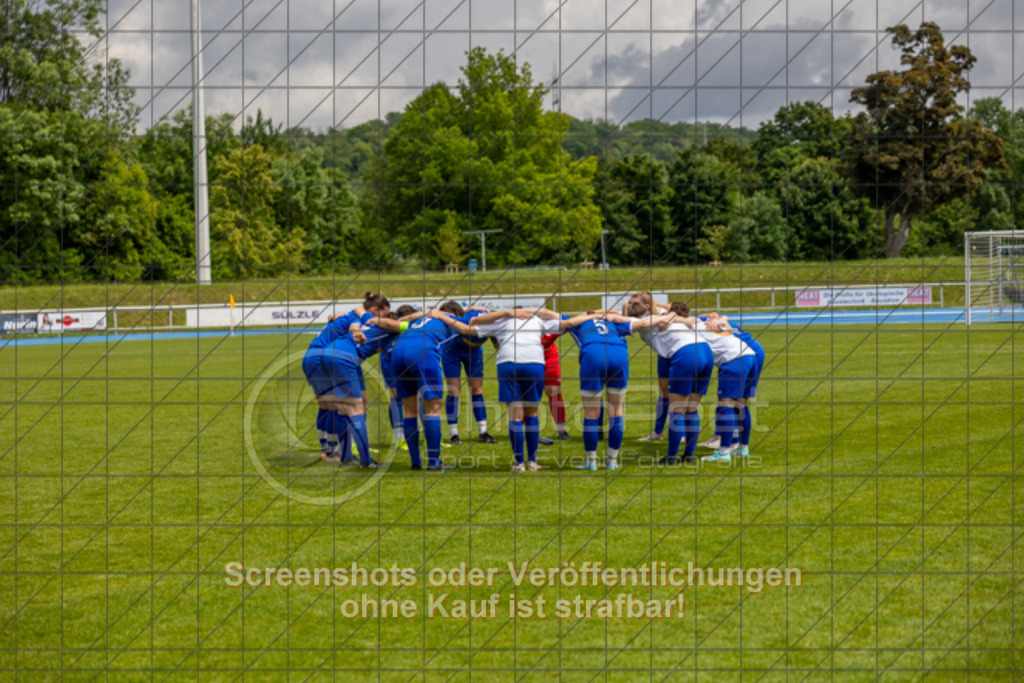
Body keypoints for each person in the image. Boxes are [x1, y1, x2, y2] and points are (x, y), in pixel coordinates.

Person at [431, 307, 595, 472]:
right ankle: (532, 462)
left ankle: (519, 464)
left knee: (515, 415)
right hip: (535, 362)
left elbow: (468, 326)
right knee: (532, 414)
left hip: (508, 362)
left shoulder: (501, 320)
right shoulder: (537, 320)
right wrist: (596, 314)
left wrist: (440, 315)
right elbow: (570, 322)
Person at [604, 301, 713, 465]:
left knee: (676, 409)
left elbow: (618, 319)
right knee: (691, 408)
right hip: (705, 350)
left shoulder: (644, 323)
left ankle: (671, 456)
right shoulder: (662, 315)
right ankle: (689, 454)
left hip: (685, 354)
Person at [315, 314, 415, 468]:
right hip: (344, 357)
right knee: (356, 409)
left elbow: (359, 311)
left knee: (344, 409)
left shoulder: (371, 321)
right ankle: (366, 461)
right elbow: (396, 324)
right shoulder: (391, 327)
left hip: (331, 353)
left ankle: (346, 456)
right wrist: (408, 324)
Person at [552, 312, 632, 470]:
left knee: (591, 413)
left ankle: (591, 462)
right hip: (620, 355)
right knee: (616, 412)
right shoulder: (614, 320)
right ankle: (612, 461)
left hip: (593, 355)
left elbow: (550, 314)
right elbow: (641, 323)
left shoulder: (578, 321)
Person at [693, 315, 757, 463]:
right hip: (749, 355)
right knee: (741, 404)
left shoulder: (690, 326)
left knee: (725, 404)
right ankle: (743, 448)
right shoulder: (703, 322)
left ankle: (723, 453)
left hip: (733, 358)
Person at [442, 307, 498, 445]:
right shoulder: (469, 319)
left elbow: (498, 343)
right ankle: (454, 434)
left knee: (477, 390)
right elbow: (455, 313)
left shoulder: (497, 324)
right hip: (452, 352)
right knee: (454, 391)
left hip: (474, 352)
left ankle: (483, 432)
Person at [379, 305, 419, 450]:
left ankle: (422, 433)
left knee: (418, 396)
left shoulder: (417, 327)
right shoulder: (392, 328)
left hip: (406, 361)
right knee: (396, 396)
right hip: (389, 362)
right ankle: (399, 437)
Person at [538, 333, 570, 444]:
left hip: (549, 355)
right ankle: (526, 429)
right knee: (528, 393)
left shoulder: (547, 319)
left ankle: (561, 429)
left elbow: (567, 325)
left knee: (553, 391)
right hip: (527, 356)